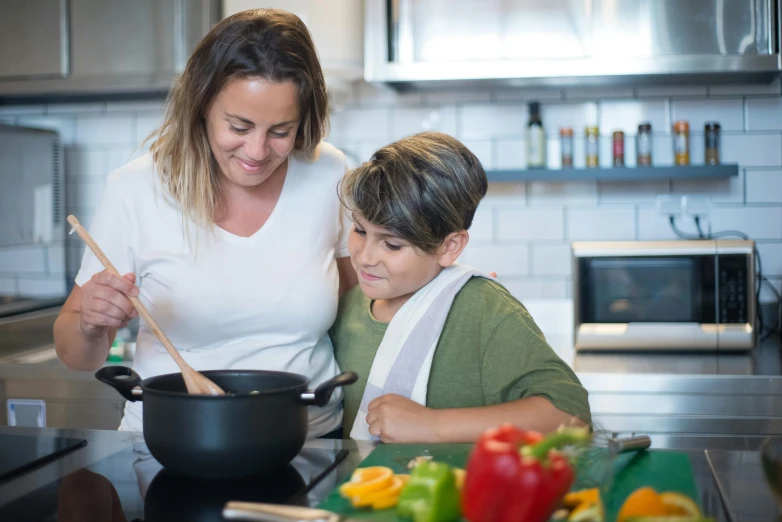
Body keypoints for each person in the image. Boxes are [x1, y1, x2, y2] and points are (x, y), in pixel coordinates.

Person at [53, 9, 357, 437]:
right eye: (240, 126)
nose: (256, 150)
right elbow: (77, 355)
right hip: (174, 440)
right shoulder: (136, 189)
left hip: (308, 438)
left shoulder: (327, 171)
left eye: (280, 131)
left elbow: (358, 302)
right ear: (202, 106)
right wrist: (90, 322)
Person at [330, 132, 591, 443]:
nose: (365, 256)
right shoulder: (347, 307)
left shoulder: (484, 309)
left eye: (392, 244)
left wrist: (432, 425)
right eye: (360, 230)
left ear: (449, 246)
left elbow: (570, 417)